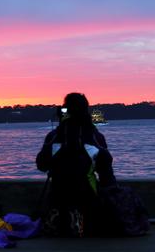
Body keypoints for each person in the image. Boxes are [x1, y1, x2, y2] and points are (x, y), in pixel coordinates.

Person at [36, 93, 116, 237]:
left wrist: (61, 129)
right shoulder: (94, 137)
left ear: (65, 111)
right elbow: (106, 171)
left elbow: (42, 165)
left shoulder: (54, 137)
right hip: (88, 208)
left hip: (58, 208)